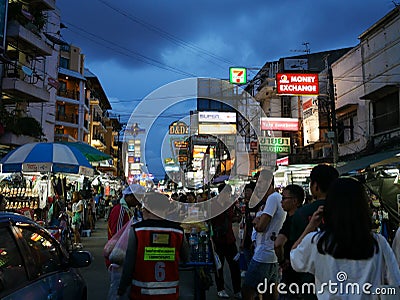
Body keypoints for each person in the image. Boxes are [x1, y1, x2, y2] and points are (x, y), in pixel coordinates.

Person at [291, 177, 400, 299]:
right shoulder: (378, 243)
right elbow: (394, 283)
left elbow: (294, 258)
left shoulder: (316, 242)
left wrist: (310, 227)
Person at [118, 192, 189, 299]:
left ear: (147, 209)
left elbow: (129, 264)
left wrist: (122, 289)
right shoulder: (178, 231)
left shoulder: (137, 230)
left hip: (141, 293)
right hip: (170, 293)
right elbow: (186, 258)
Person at [288, 164, 339, 299]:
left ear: (315, 186)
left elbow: (294, 251)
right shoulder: (345, 212)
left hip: (308, 281)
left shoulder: (301, 214)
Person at [242, 170, 286, 300]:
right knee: (270, 292)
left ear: (269, 183)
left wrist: (256, 222)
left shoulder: (272, 198)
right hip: (272, 254)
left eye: (260, 183)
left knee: (247, 290)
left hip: (264, 254)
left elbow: (261, 226)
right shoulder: (276, 198)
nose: (258, 187)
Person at [106, 184, 145, 300]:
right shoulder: (120, 211)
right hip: (118, 259)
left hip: (123, 258)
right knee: (118, 292)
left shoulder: (127, 210)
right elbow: (117, 236)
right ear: (130, 197)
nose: (139, 201)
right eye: (137, 197)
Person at [209, 183, 242, 299]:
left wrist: (236, 218)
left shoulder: (230, 204)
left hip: (230, 240)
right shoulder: (213, 205)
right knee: (219, 266)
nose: (229, 195)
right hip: (218, 241)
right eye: (227, 193)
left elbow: (234, 216)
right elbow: (209, 223)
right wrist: (211, 238)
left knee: (235, 266)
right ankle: (220, 289)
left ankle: (237, 290)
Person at [273, 184, 304, 299]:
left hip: (291, 271)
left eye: (284, 198)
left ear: (295, 201)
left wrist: (281, 261)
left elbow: (278, 244)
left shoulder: (292, 220)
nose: (282, 202)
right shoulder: (305, 217)